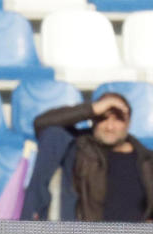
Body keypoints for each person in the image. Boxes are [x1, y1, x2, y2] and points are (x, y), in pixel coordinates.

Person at [21, 94, 153, 222]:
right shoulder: (81, 147)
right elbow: (43, 124)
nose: (110, 127)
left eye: (117, 119)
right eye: (102, 118)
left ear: (128, 123)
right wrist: (92, 109)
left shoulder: (147, 160)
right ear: (93, 121)